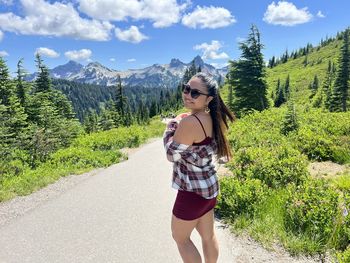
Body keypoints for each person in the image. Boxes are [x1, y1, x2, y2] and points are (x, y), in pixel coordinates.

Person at [163, 72, 235, 263]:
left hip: (192, 192)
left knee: (181, 238)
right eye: (186, 88)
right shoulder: (213, 118)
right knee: (208, 236)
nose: (187, 94)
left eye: (195, 93)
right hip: (209, 188)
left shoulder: (188, 122)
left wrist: (172, 125)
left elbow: (171, 154)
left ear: (208, 99)